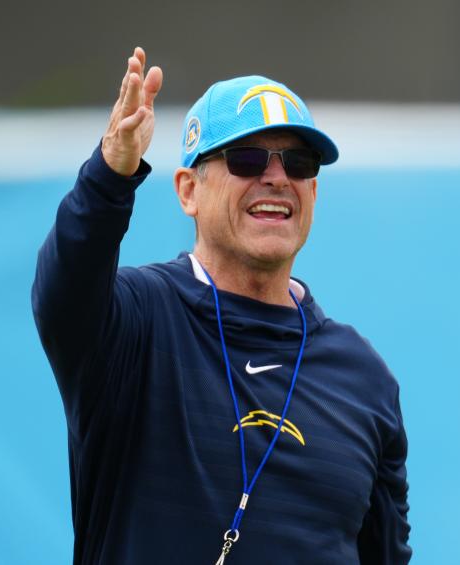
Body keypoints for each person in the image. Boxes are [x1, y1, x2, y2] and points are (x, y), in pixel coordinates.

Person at [32, 47, 411, 564]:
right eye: (247, 158)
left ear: (313, 194)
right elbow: (64, 293)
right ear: (189, 191)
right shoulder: (140, 320)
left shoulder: (363, 378)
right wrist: (108, 177)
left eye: (297, 163)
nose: (277, 178)